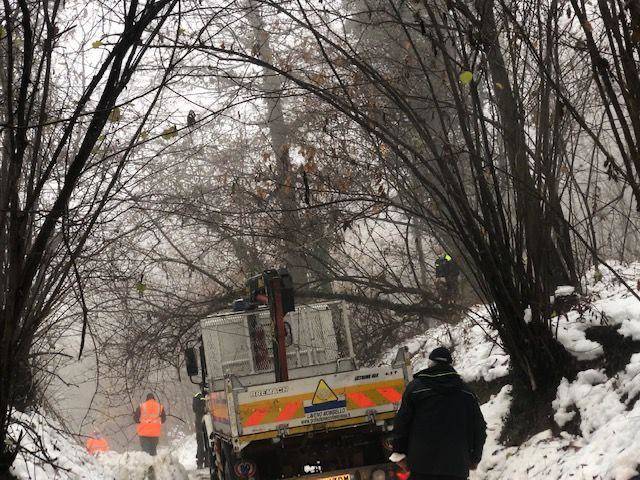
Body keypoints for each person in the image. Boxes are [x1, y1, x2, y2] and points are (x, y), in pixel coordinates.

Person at [390, 347, 487, 480]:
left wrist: (399, 453)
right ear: (450, 364)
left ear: (430, 364)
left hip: (421, 466)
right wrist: (475, 457)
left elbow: (402, 423)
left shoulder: (415, 389)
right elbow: (479, 427)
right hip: (456, 466)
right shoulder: (466, 392)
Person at [193, 391, 207, 469]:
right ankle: (200, 462)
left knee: (203, 442)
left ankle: (204, 461)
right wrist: (204, 408)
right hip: (200, 423)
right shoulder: (198, 396)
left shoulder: (198, 396)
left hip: (203, 422)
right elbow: (195, 409)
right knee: (201, 442)